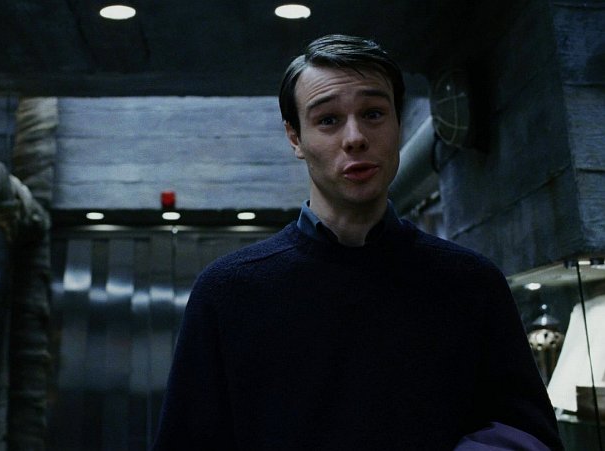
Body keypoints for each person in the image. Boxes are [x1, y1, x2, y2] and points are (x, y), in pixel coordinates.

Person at [152, 34, 563, 450]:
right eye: (328, 120)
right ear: (295, 137)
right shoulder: (229, 292)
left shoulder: (471, 282)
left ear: (398, 124)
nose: (355, 137)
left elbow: (526, 431)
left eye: (373, 113)